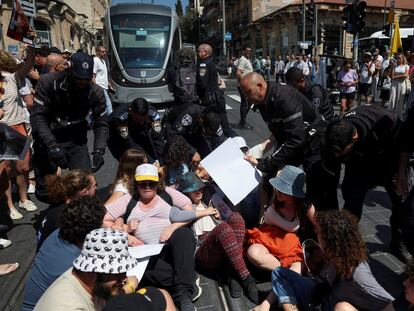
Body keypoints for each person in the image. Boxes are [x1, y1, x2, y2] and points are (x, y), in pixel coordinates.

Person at [253, 210, 395, 311]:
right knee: (280, 273)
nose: (316, 234)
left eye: (319, 232)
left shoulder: (359, 272)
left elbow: (389, 303)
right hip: (322, 296)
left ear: (330, 240)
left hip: (330, 306)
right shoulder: (333, 254)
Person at [103, 164, 199, 311]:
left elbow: (189, 210)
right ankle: (186, 282)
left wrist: (173, 226)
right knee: (156, 271)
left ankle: (183, 295)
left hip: (173, 247)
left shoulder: (166, 193)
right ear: (137, 184)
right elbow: (104, 219)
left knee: (184, 234)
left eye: (152, 183)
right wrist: (126, 235)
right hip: (149, 255)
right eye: (143, 184)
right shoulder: (129, 200)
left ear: (157, 183)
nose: (147, 187)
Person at [323, 105, 410, 262]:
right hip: (360, 165)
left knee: (401, 203)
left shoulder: (386, 120)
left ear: (355, 137)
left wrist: (402, 172)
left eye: (342, 152)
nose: (338, 156)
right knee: (351, 203)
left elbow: (405, 142)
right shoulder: (337, 129)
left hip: (390, 163)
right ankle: (346, 245)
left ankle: (398, 243)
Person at [241, 72, 335, 212]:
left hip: (314, 142)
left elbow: (296, 138)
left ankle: (322, 227)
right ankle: (266, 218)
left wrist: (268, 162)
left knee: (316, 190)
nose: (247, 98)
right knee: (270, 182)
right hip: (295, 141)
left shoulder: (284, 97)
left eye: (248, 93)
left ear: (260, 86)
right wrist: (270, 155)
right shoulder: (262, 102)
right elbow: (280, 132)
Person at [31, 51, 108, 203]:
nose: (82, 83)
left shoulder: (95, 91)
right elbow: (38, 117)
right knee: (45, 192)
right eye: (78, 78)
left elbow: (101, 123)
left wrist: (99, 150)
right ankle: (56, 212)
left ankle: (78, 214)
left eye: (86, 79)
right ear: (70, 69)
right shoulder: (48, 82)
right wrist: (52, 146)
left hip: (75, 140)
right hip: (49, 137)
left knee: (85, 184)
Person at [176, 171, 259, 303]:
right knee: (223, 229)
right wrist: (203, 213)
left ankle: (232, 272)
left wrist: (219, 218)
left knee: (236, 217)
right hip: (203, 252)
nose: (199, 192)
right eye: (194, 190)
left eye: (200, 188)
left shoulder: (208, 199)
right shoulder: (182, 207)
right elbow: (178, 222)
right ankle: (246, 277)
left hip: (222, 243)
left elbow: (227, 215)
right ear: (186, 193)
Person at [22, 196, 106, 311]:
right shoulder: (74, 264)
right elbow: (99, 293)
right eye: (101, 226)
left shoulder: (59, 233)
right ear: (92, 233)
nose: (103, 228)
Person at [33, 228, 140, 311]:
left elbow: (108, 297)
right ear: (90, 272)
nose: (125, 278)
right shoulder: (71, 307)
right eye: (117, 272)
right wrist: (130, 288)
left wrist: (128, 288)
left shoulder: (89, 281)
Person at [246, 166, 310, 276]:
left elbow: (320, 227)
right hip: (266, 239)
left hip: (290, 247)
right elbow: (264, 194)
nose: (279, 191)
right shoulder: (273, 194)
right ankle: (282, 271)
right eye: (278, 187)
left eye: (283, 190)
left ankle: (285, 274)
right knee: (253, 253)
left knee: (296, 272)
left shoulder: (305, 207)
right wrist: (262, 215)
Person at [0, 47, 37, 220]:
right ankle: (9, 205)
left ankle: (23, 199)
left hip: (17, 126)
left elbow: (28, 64)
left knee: (23, 168)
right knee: (5, 171)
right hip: (2, 129)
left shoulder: (12, 78)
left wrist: (30, 46)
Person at [37, 169, 97, 248]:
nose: (96, 188)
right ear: (84, 192)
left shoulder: (58, 206)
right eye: (94, 186)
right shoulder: (71, 216)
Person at [107, 98, 165, 163]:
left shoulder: (153, 115)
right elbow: (129, 143)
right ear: (130, 111)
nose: (141, 122)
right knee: (130, 164)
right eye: (138, 120)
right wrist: (150, 161)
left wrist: (160, 161)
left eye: (144, 119)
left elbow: (158, 139)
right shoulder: (120, 118)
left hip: (141, 134)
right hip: (119, 140)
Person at [196, 44, 235, 137]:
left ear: (205, 52)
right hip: (217, 98)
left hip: (210, 101)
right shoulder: (211, 63)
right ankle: (239, 144)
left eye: (199, 51)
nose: (197, 53)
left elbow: (203, 84)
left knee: (211, 126)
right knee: (224, 126)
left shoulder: (203, 65)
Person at [235, 45, 253, 129]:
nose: (249, 52)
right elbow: (238, 73)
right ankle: (242, 123)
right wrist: (244, 82)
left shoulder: (246, 60)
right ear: (243, 51)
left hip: (246, 85)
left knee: (248, 102)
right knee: (245, 103)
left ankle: (243, 121)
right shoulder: (243, 60)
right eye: (247, 50)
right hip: (243, 85)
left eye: (250, 51)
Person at [93, 46, 113, 115]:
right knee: (109, 106)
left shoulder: (103, 61)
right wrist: (96, 88)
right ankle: (111, 121)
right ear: (97, 52)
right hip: (100, 87)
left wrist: (109, 84)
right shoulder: (95, 60)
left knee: (103, 107)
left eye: (105, 52)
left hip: (105, 87)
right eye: (102, 52)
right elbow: (93, 76)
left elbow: (103, 74)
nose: (104, 53)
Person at [389, 53, 409, 120]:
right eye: (397, 58)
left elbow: (405, 75)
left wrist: (396, 76)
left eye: (399, 58)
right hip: (394, 84)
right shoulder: (395, 66)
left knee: (400, 101)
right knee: (392, 100)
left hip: (401, 84)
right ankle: (390, 116)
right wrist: (392, 68)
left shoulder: (406, 66)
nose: (398, 59)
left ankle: (399, 117)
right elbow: (392, 77)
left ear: (403, 59)